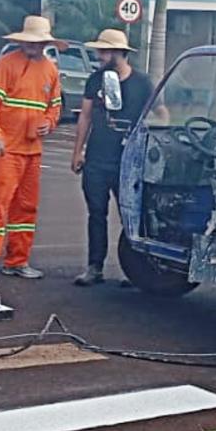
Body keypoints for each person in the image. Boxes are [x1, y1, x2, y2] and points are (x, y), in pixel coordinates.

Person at [0, 15, 62, 286]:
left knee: (26, 208)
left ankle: (17, 261)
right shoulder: (7, 64)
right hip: (4, 150)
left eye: (38, 43)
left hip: (31, 150)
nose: (33, 47)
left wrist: (49, 122)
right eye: (30, 42)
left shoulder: (50, 70)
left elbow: (55, 105)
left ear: (45, 43)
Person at [71, 28, 153, 286]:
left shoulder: (142, 83)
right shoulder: (95, 80)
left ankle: (137, 270)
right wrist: (78, 151)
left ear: (120, 53)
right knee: (96, 213)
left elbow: (160, 113)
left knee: (133, 216)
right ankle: (95, 266)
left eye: (105, 51)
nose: (100, 55)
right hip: (97, 157)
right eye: (100, 50)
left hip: (128, 161)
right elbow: (84, 116)